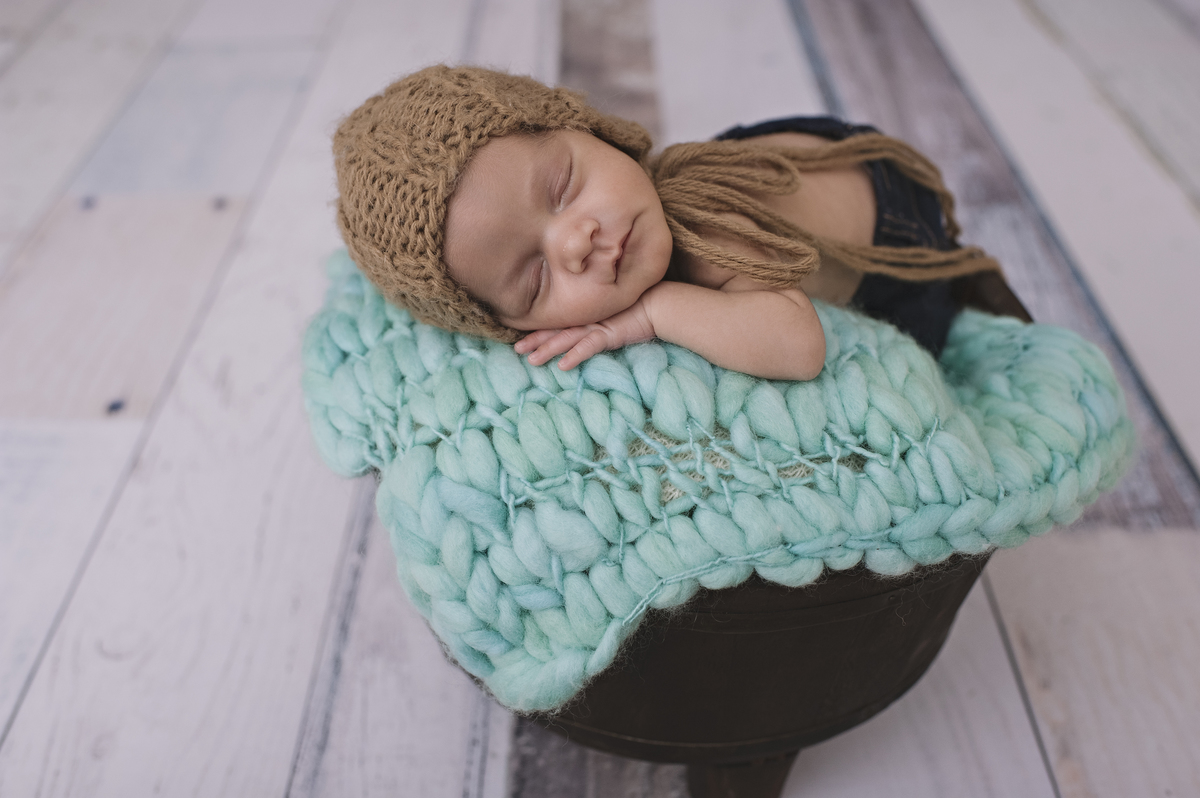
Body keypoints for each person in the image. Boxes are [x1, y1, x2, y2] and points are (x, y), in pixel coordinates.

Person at [332, 65, 1002, 381]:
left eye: (564, 186)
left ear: (588, 130)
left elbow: (801, 348)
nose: (576, 240)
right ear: (511, 329)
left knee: (926, 354)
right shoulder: (616, 212)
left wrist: (653, 314)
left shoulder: (708, 235)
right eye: (535, 279)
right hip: (790, 164)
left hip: (889, 224)